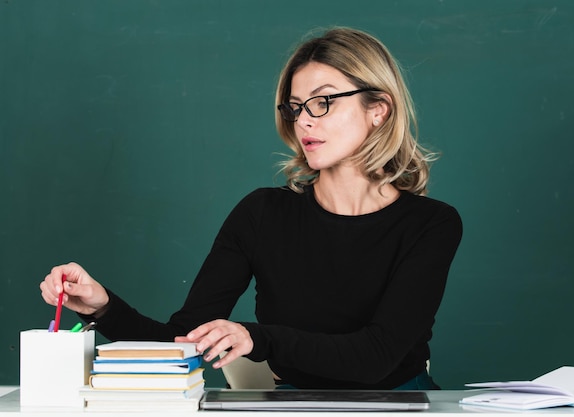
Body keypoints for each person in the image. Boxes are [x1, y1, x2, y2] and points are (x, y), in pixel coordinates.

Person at [40, 27, 462, 390]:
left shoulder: (430, 224)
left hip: (400, 403)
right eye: (295, 107)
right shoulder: (262, 213)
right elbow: (183, 339)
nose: (304, 121)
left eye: (324, 101)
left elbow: (377, 356)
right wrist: (102, 306)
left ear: (378, 111)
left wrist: (257, 338)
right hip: (291, 404)